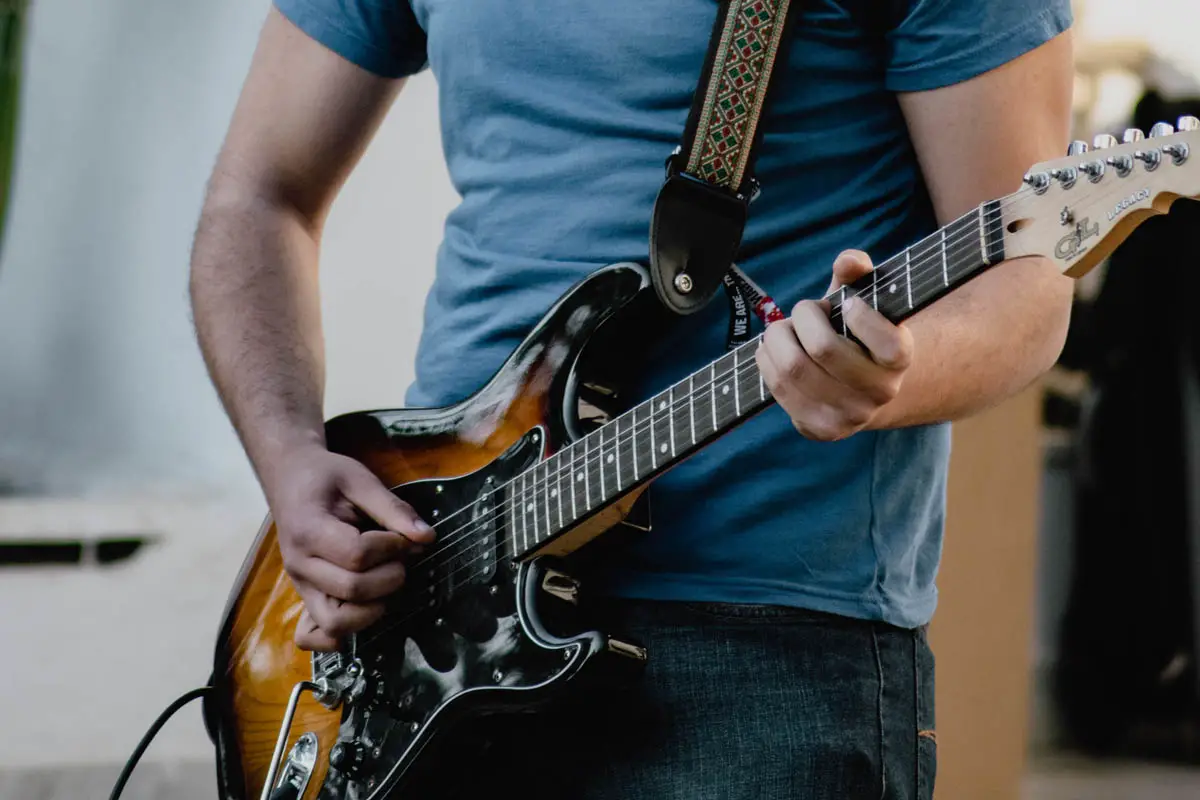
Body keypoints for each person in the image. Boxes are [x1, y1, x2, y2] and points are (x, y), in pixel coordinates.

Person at [189, 1, 1075, 797]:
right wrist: (290, 462)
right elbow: (256, 199)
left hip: (758, 648)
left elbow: (1029, 277)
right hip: (429, 611)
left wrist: (890, 377)